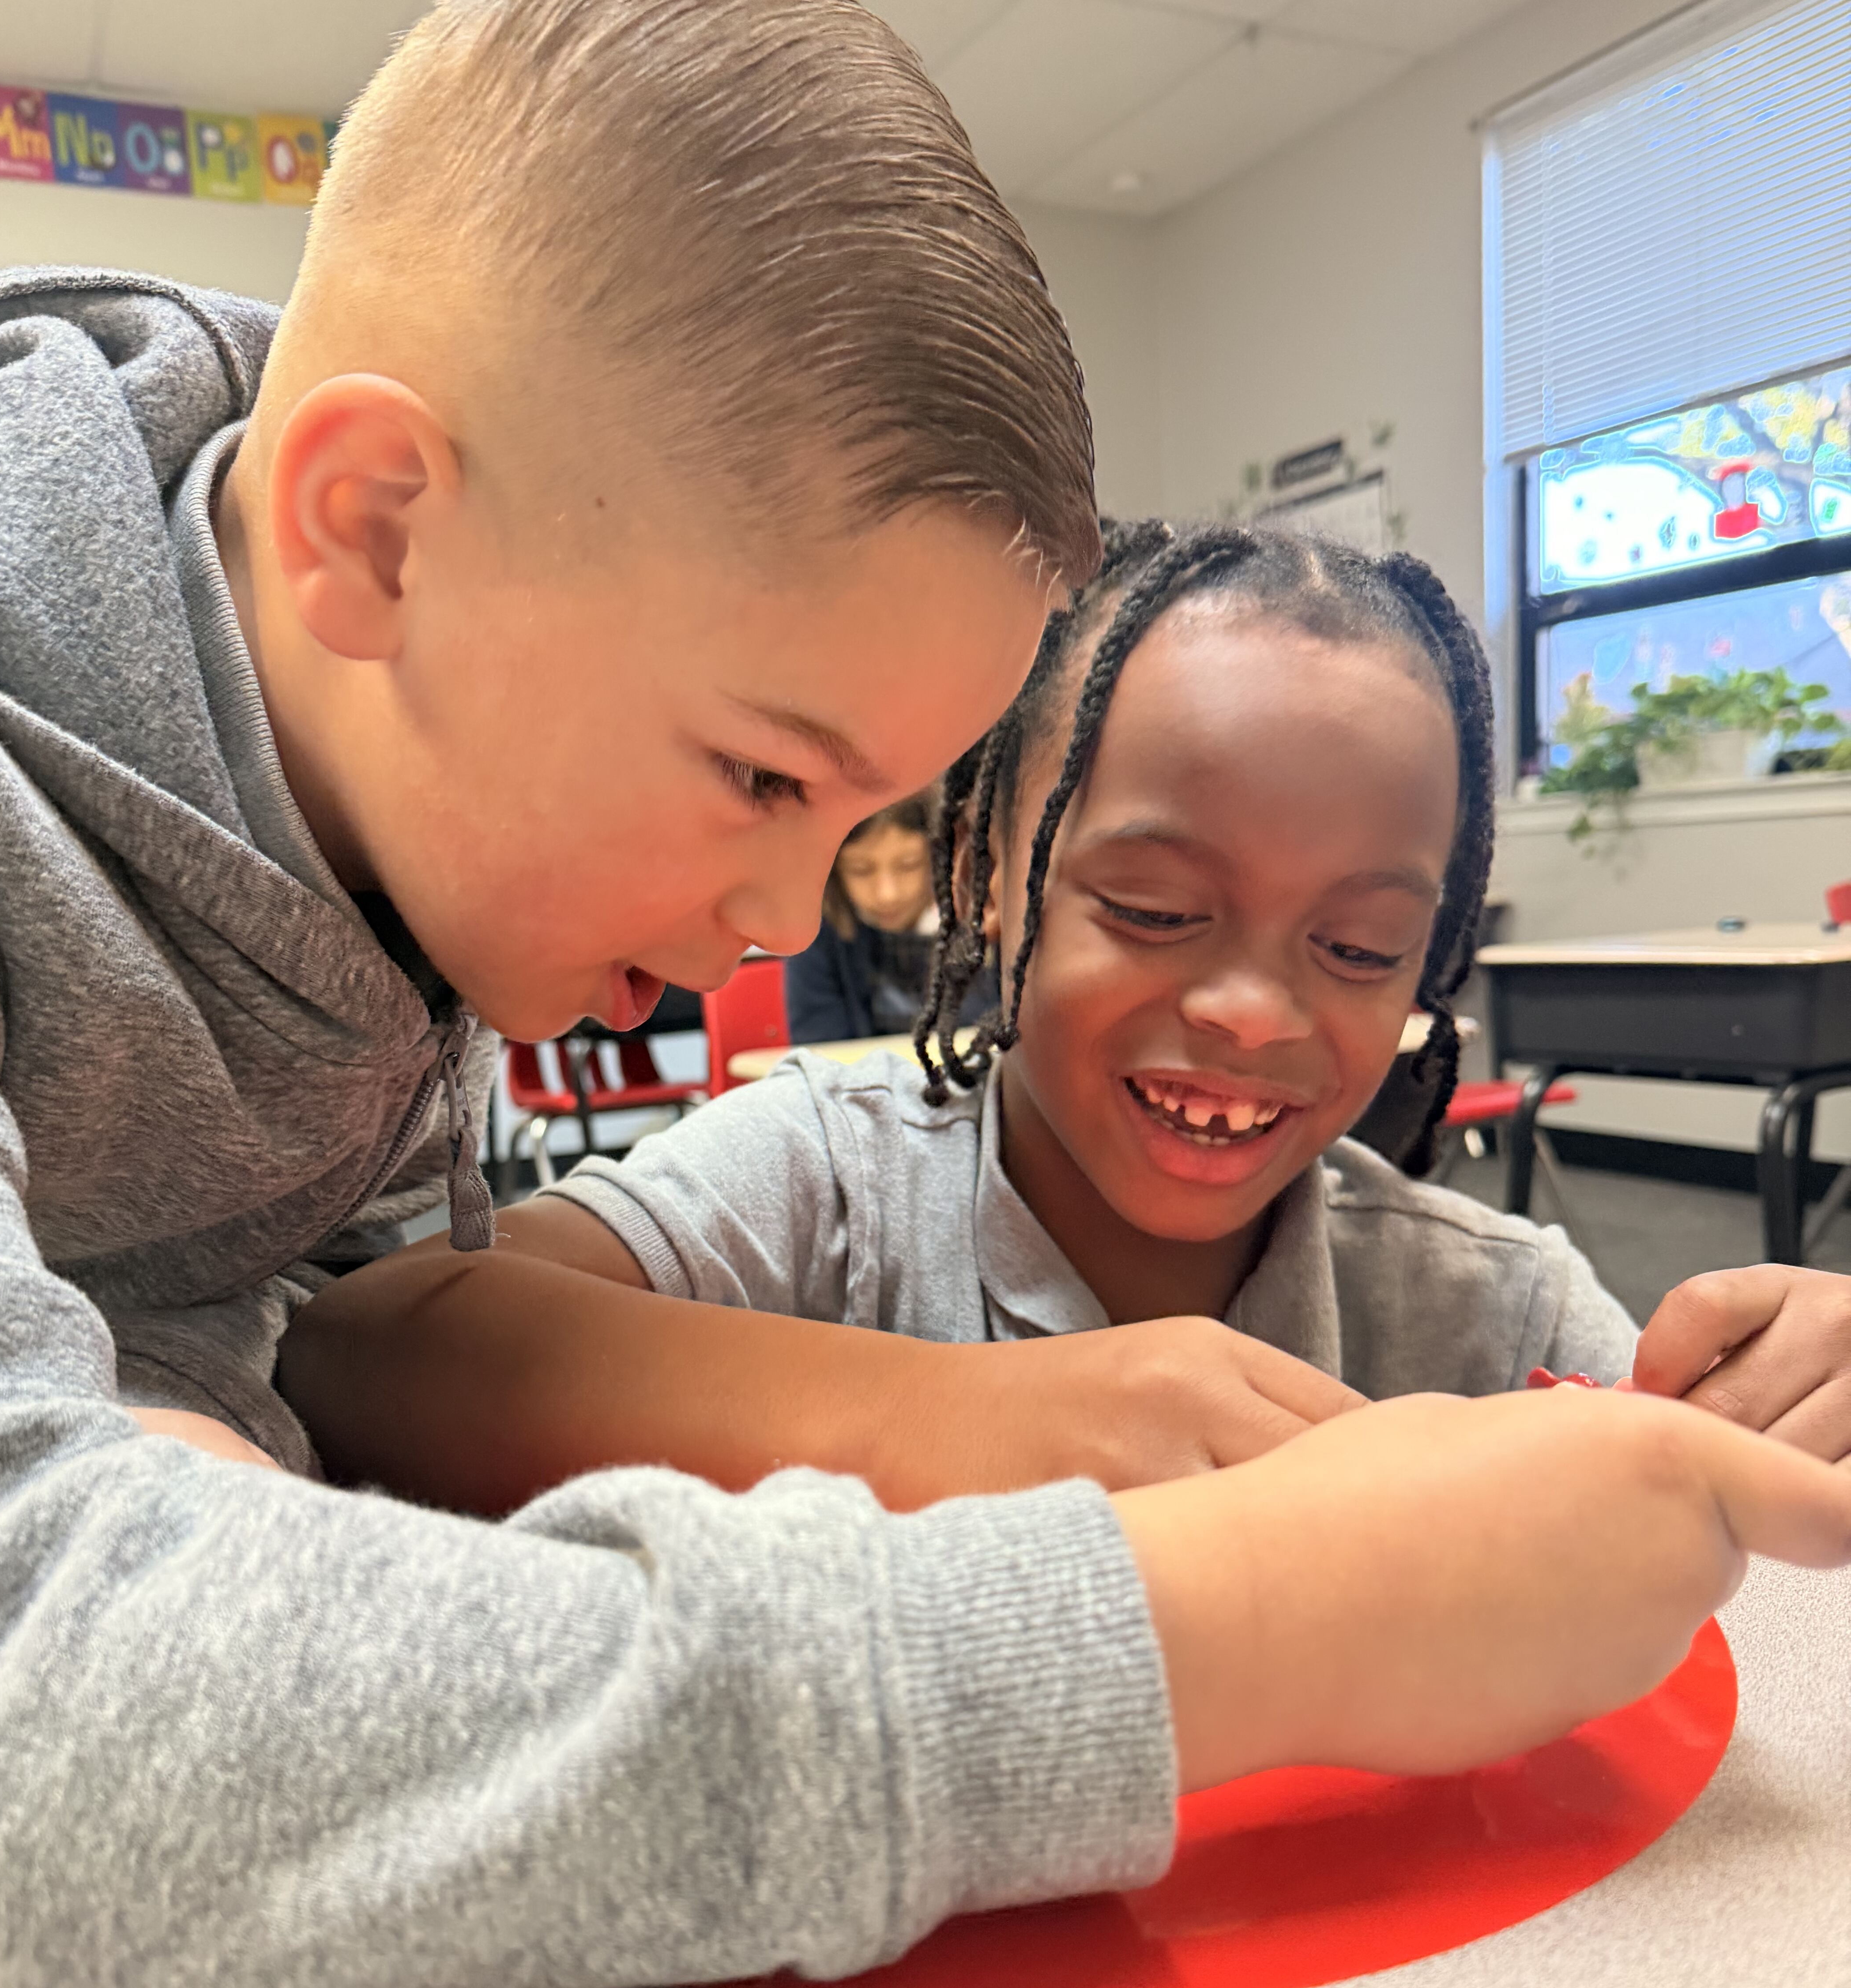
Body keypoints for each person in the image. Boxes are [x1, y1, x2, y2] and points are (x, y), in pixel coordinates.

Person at [0, 0, 1849, 1988]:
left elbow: (320, 1350)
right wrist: (1221, 1622)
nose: (785, 918)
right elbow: (30, 1717)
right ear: (376, 528)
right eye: (762, 771)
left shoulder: (393, 829)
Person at [297, 518, 1851, 1482]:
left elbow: (1716, 1498)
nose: (1251, 1009)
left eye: (1362, 949)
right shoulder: (823, 1185)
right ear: (984, 876)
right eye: (1157, 911)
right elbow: (371, 1348)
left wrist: (1798, 1385)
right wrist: (965, 1420)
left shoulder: (1473, 1304)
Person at [783, 789, 998, 1042]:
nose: (888, 895)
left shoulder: (985, 920)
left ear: (942, 856)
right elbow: (818, 1049)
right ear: (833, 870)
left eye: (909, 865)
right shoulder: (816, 935)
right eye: (861, 871)